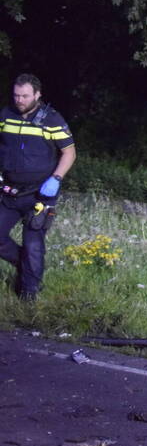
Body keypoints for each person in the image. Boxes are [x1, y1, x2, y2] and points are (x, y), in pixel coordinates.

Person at [0, 74, 76, 301]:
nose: (20, 100)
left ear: (37, 95)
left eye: (25, 96)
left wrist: (57, 179)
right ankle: (26, 267)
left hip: (40, 194)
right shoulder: (6, 115)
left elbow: (69, 152)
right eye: (16, 95)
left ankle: (28, 297)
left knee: (33, 244)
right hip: (10, 192)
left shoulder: (51, 119)